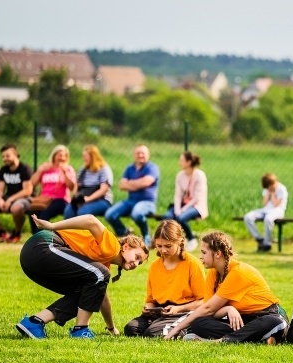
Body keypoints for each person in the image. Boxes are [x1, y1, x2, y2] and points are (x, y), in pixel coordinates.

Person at [16, 214, 149, 339]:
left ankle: (34, 322)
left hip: (31, 260)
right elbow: (91, 220)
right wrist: (52, 226)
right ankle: (81, 329)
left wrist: (111, 327)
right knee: (100, 275)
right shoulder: (112, 247)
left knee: (88, 291)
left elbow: (101, 298)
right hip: (43, 246)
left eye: (140, 262)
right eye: (137, 257)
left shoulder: (101, 267)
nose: (136, 264)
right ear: (125, 247)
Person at [163, 231, 288, 343]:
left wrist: (177, 329)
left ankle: (221, 341)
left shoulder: (238, 273)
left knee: (272, 323)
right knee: (198, 323)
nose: (200, 256)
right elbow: (209, 311)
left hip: (268, 316)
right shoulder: (213, 273)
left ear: (217, 254)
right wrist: (228, 309)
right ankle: (258, 338)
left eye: (204, 252)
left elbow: (208, 309)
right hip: (242, 320)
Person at [123, 220, 205, 337]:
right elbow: (150, 300)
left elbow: (203, 301)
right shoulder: (155, 266)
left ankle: (189, 329)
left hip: (184, 311)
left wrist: (178, 309)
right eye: (159, 246)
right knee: (131, 329)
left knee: (152, 333)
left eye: (168, 246)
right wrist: (148, 308)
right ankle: (162, 325)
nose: (163, 250)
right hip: (161, 311)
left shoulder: (192, 264)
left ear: (179, 241)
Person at [104, 145, 160, 247]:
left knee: (137, 214)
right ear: (134, 155)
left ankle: (146, 234)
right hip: (130, 201)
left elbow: (146, 182)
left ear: (148, 155)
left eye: (143, 153)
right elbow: (121, 185)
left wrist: (129, 183)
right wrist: (139, 184)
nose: (140, 155)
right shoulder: (129, 168)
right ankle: (125, 233)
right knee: (109, 214)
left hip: (147, 202)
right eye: (138, 153)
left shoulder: (152, 168)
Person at [0, 144, 33, 243]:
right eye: (3, 156)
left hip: (26, 198)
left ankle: (17, 232)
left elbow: (27, 191)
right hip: (8, 197)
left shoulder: (25, 169)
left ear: (16, 155)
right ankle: (1, 232)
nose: (5, 158)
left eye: (7, 156)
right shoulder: (4, 170)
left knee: (16, 208)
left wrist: (10, 199)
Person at [162, 151, 208, 253]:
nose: (179, 162)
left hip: (196, 205)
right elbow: (178, 195)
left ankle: (191, 239)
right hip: (182, 204)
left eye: (182, 160)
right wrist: (178, 209)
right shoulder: (180, 175)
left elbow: (196, 198)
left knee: (180, 218)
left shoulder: (200, 175)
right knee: (167, 217)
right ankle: (175, 241)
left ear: (189, 162)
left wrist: (182, 210)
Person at [27, 145, 76, 232]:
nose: (62, 158)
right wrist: (39, 171)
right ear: (54, 155)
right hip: (44, 199)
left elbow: (72, 187)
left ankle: (38, 237)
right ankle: (35, 236)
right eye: (60, 155)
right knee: (32, 210)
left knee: (45, 212)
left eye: (65, 156)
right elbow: (32, 183)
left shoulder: (68, 169)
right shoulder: (46, 168)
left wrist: (65, 173)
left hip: (60, 200)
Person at [63, 145, 113, 220]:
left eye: (85, 156)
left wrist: (88, 199)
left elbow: (103, 190)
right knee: (68, 211)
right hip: (83, 199)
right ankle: (68, 231)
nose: (83, 158)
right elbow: (77, 186)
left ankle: (84, 231)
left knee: (82, 212)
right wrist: (76, 198)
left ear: (92, 156)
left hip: (102, 200)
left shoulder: (104, 169)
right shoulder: (83, 170)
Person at [243, 173, 288, 253]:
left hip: (278, 210)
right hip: (265, 210)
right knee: (248, 217)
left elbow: (276, 204)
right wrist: (268, 193)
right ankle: (260, 239)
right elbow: (264, 203)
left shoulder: (281, 189)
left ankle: (267, 244)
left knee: (268, 219)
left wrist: (273, 194)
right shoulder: (267, 189)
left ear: (273, 183)